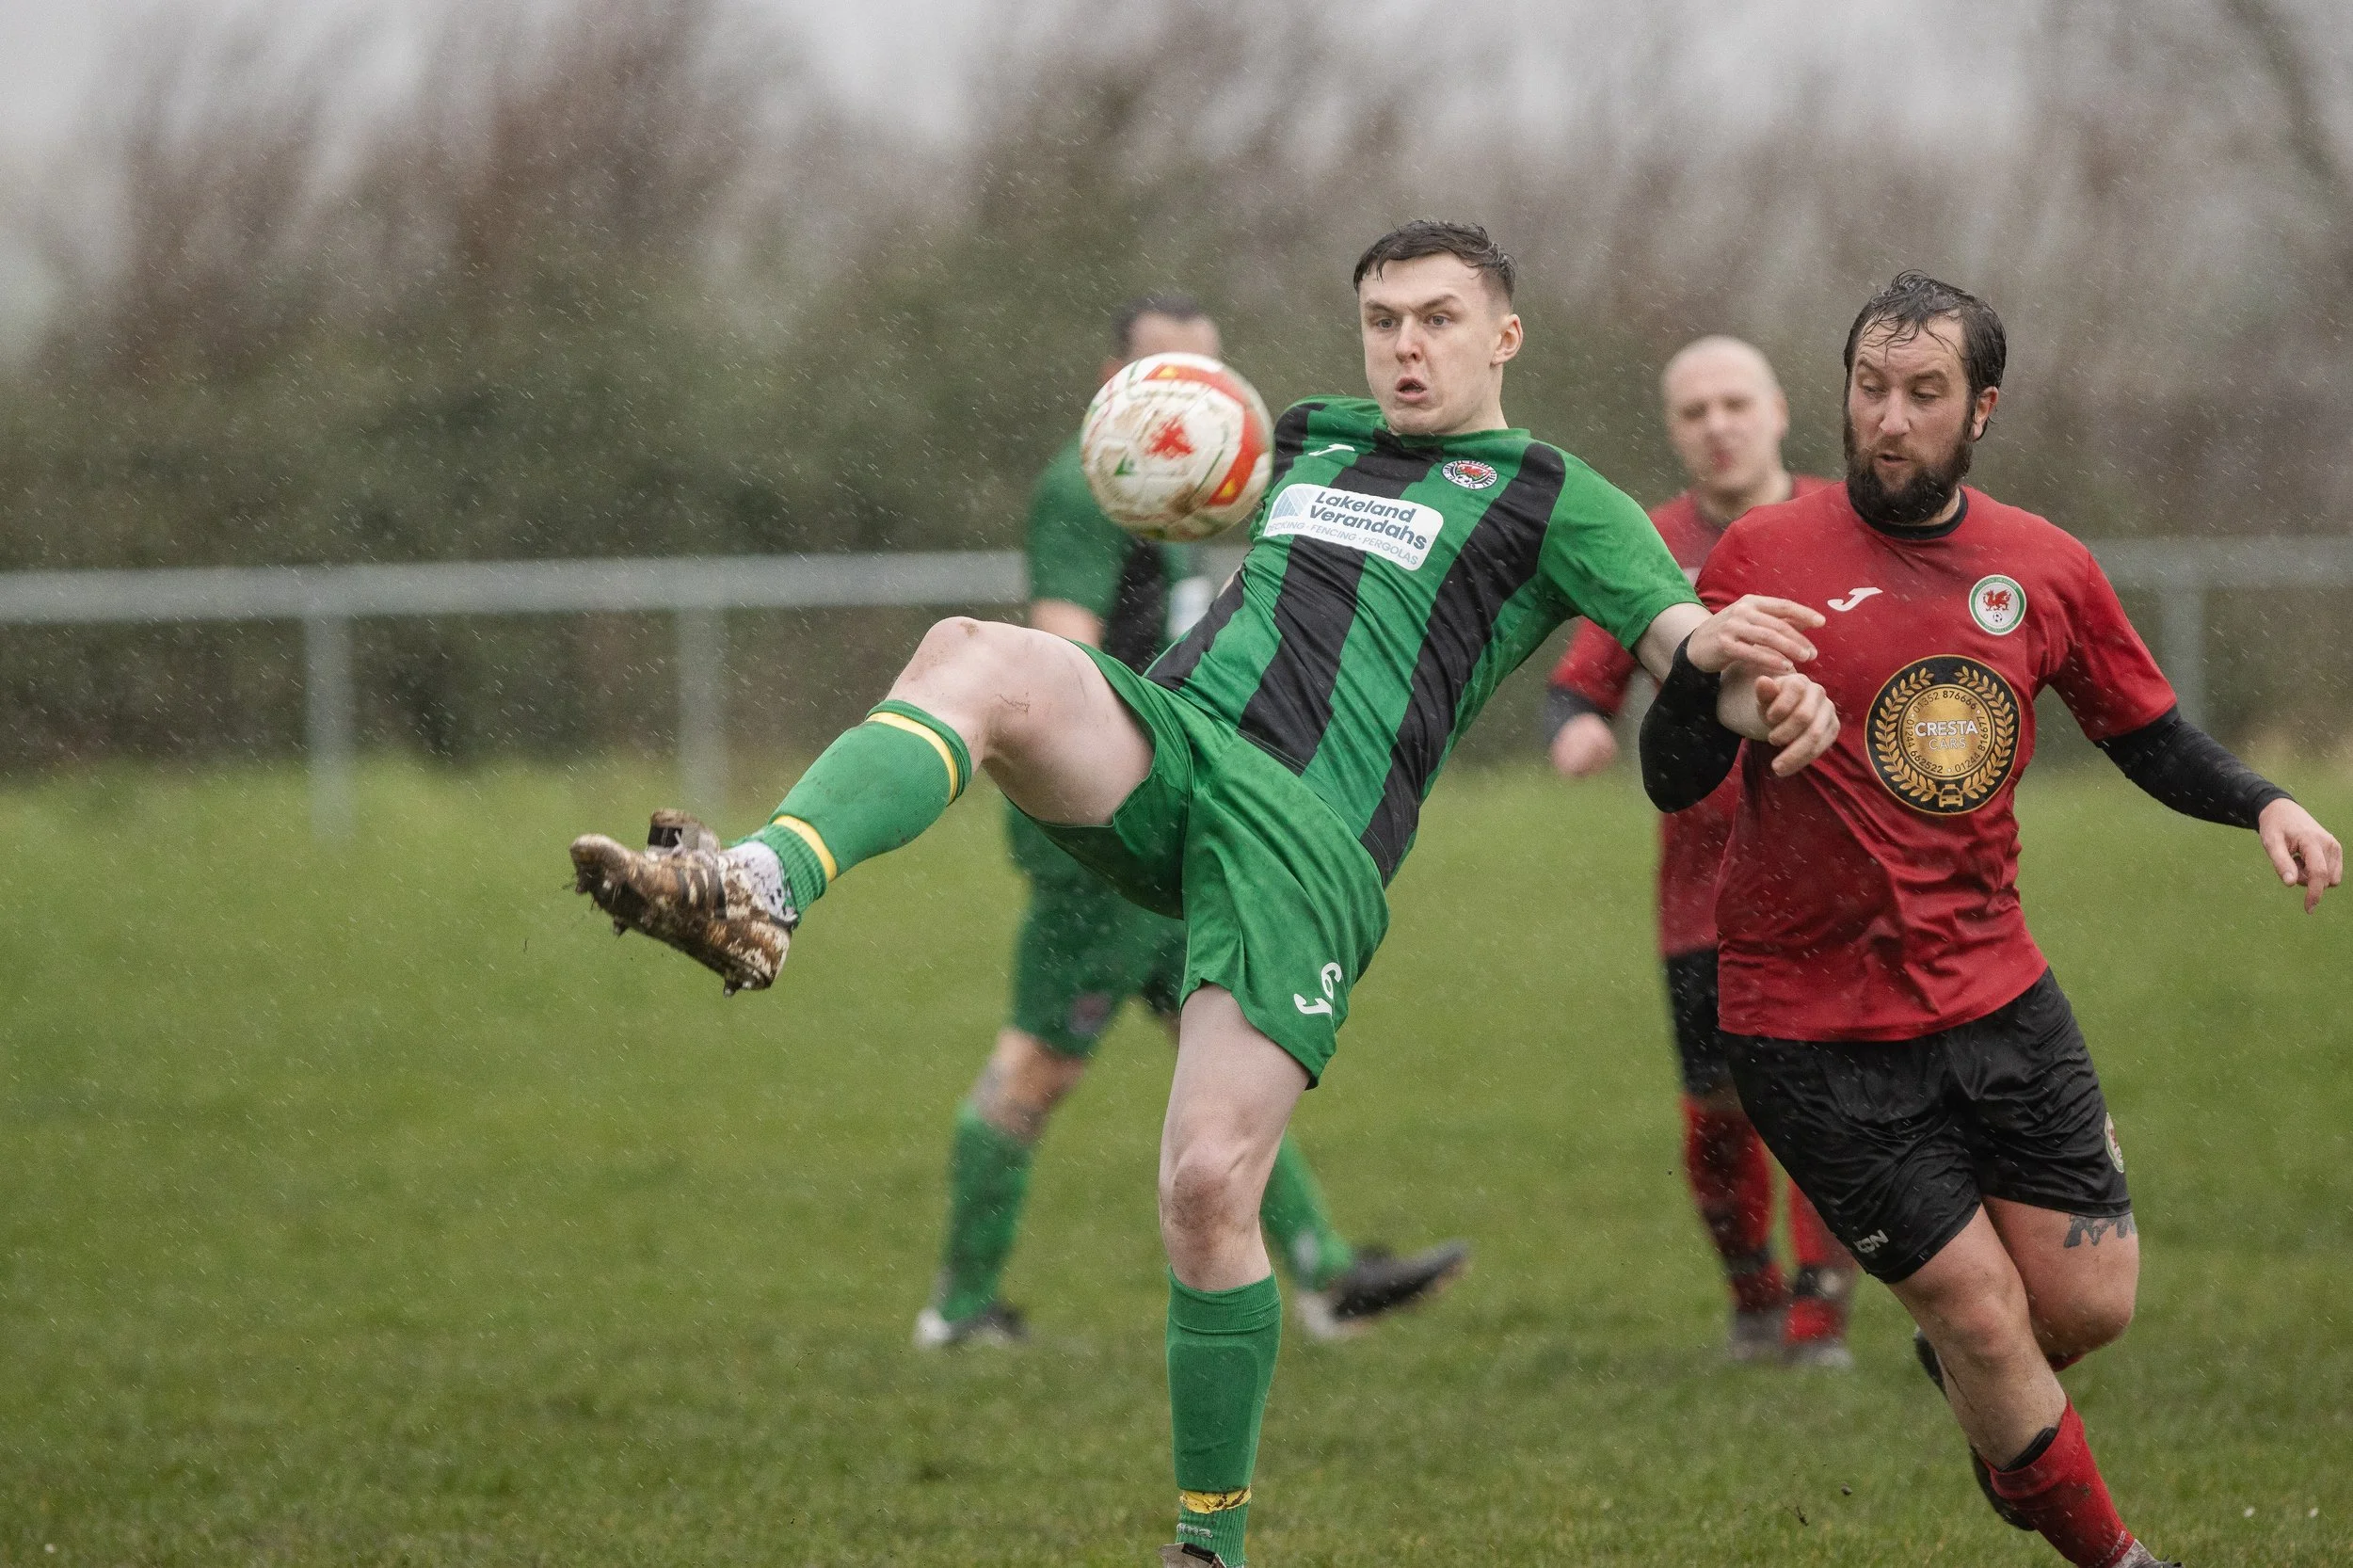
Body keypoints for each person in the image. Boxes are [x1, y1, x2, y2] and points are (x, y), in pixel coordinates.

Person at [570, 220, 1838, 1568]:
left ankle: (1207, 1546)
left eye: (1439, 319)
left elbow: (1683, 639)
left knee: (1206, 1182)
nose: (1407, 345)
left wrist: (1764, 678)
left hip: (1309, 839)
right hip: (1176, 744)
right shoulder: (1308, 431)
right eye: (1385, 319)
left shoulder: (1551, 491)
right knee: (972, 653)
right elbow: (1180, 482)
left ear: (1503, 335)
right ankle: (759, 882)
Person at [1645, 270, 2341, 1568]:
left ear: (1983, 411)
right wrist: (1697, 671)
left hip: (1997, 995)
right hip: (1808, 1022)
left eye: (1924, 394)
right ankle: (2116, 1551)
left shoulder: (2042, 565)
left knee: (2084, 1304)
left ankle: (1984, 1384)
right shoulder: (1764, 556)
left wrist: (2265, 802)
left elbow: (2143, 729)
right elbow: (1672, 773)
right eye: (1870, 389)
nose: (1889, 419)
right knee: (1979, 1307)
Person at [915, 294, 1469, 1351]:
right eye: (1165, 368)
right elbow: (1058, 654)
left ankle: (1321, 1271)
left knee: (1228, 1032)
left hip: (1158, 812)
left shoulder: (1174, 488)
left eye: (1208, 370)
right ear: (1112, 374)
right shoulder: (1087, 486)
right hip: (1100, 840)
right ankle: (958, 1309)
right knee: (1037, 1065)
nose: (1190, 395)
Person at [1544, 337, 1859, 1366]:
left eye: (1735, 402)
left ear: (1775, 409)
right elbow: (1580, 678)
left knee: (1820, 1093)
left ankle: (1821, 1311)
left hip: (1832, 871)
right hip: (1701, 893)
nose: (1717, 424)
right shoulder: (1649, 546)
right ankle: (1753, 1294)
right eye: (1693, 411)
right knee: (1719, 1110)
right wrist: (1574, 727)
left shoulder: (1847, 526)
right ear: (1674, 429)